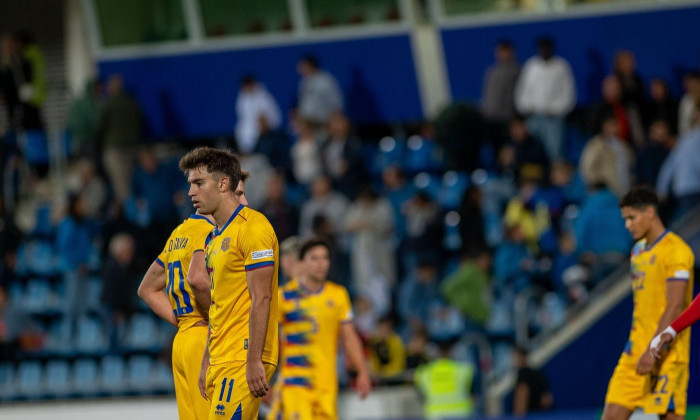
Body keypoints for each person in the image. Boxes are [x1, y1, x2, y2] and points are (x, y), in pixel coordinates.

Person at [137, 174, 249, 420]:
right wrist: (216, 316)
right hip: (205, 337)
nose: (245, 202)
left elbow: (146, 289)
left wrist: (184, 321)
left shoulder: (180, 232)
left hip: (184, 339)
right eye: (239, 194)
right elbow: (197, 279)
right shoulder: (211, 233)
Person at [179, 147, 279, 420]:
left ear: (223, 183)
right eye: (190, 185)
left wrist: (254, 360)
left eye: (198, 183)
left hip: (244, 356)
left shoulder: (254, 228)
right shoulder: (213, 238)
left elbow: (262, 298)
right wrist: (206, 359)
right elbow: (218, 304)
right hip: (221, 358)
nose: (191, 192)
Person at [602, 186, 694, 420]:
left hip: (666, 355)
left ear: (650, 212)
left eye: (631, 218)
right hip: (633, 355)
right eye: (625, 219)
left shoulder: (677, 251)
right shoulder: (637, 252)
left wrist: (653, 350)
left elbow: (674, 306)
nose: (627, 225)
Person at [267, 238, 371, 419]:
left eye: (324, 258)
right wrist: (263, 375)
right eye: (314, 258)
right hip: (294, 386)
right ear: (302, 263)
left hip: (326, 386)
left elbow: (349, 337)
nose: (320, 264)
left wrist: (362, 371)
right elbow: (267, 338)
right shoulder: (284, 297)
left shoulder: (338, 295)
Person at [515, 37, 576, 160]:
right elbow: (522, 90)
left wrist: (556, 110)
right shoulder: (531, 65)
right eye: (542, 48)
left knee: (554, 152)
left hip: (553, 118)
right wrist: (526, 107)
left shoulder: (561, 66)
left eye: (546, 48)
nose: (544, 50)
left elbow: (568, 93)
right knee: (532, 150)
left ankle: (554, 177)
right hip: (534, 117)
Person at [414, 340, 475, 420]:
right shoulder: (463, 370)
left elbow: (421, 395)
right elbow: (472, 395)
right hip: (461, 414)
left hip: (435, 415)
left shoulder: (424, 372)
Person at [235, 74, 281, 155]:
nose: (246, 89)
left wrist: (262, 133)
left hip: (264, 137)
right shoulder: (242, 98)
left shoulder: (263, 97)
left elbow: (267, 119)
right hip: (248, 138)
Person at [296, 55, 343, 125]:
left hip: (324, 123)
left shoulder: (325, 80)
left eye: (302, 66)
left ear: (310, 65)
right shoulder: (303, 83)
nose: (299, 69)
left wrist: (334, 121)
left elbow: (335, 102)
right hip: (309, 125)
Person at [513, 346, 552, 416]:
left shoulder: (523, 373)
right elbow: (547, 399)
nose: (514, 360)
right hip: (541, 415)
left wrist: (519, 415)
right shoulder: (538, 373)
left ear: (522, 357)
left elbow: (522, 394)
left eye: (516, 357)